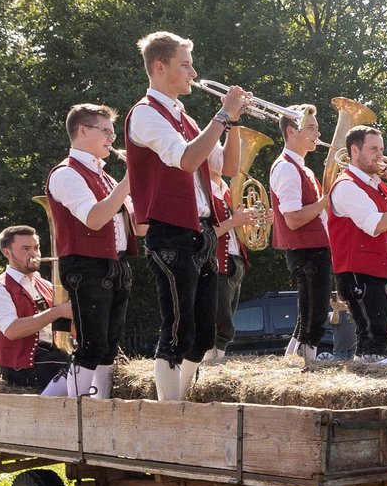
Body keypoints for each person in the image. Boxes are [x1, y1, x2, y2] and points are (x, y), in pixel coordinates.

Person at [125, 30, 245, 401]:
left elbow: (227, 166)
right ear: (160, 68)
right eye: (185, 64)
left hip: (201, 230)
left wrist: (234, 123)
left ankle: (181, 402)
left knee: (203, 333)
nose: (194, 73)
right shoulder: (145, 115)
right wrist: (223, 114)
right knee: (178, 328)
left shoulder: (186, 118)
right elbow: (187, 159)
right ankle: (169, 409)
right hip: (171, 232)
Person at [45, 103, 135, 398]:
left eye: (112, 131)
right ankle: (78, 411)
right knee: (92, 344)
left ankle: (100, 404)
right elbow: (95, 219)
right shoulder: (66, 173)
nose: (112, 138)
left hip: (115, 263)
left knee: (109, 344)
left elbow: (138, 227)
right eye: (105, 131)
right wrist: (130, 180)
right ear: (82, 131)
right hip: (87, 266)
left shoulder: (106, 177)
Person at [267, 105, 332, 360]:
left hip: (313, 250)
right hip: (306, 253)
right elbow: (293, 219)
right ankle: (306, 368)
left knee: (309, 319)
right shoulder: (286, 168)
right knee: (312, 322)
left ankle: (292, 365)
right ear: (292, 131)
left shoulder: (302, 168)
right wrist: (324, 202)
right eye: (312, 128)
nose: (318, 133)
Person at [326, 124, 387, 357]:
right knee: (375, 336)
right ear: (354, 151)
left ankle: (363, 371)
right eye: (374, 149)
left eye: (382, 149)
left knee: (370, 337)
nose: (381, 155)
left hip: (380, 268)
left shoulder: (379, 186)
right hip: (359, 270)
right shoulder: (346, 185)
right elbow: (375, 224)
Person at [0, 225, 75, 393]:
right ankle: (45, 410)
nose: (34, 254)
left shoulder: (46, 285)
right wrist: (58, 311)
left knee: (97, 362)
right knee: (77, 368)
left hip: (51, 355)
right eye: (25, 249)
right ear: (7, 252)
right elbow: (12, 330)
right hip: (21, 366)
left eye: (36, 248)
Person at [208, 173, 263, 364]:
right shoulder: (204, 190)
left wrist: (258, 220)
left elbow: (239, 229)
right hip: (216, 264)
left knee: (226, 326)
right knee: (218, 326)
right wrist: (234, 220)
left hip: (235, 261)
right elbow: (201, 234)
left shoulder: (228, 190)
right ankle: (209, 368)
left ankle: (215, 365)